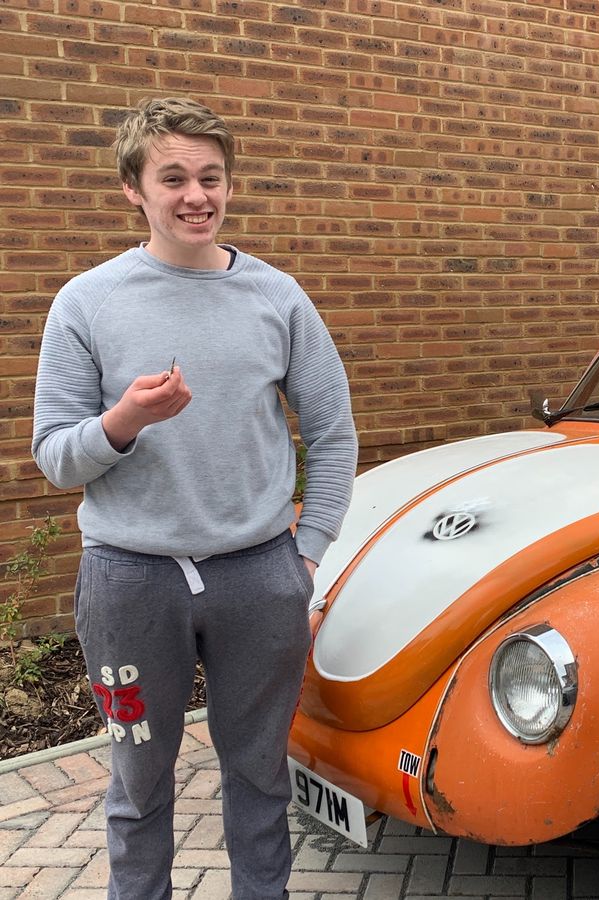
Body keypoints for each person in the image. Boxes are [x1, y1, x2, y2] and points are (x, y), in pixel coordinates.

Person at [31, 97, 358, 899]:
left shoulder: (279, 297)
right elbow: (55, 457)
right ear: (133, 190)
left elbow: (334, 434)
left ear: (229, 185)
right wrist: (124, 421)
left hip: (260, 576)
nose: (195, 195)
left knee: (259, 775)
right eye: (172, 178)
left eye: (211, 177)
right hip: (131, 581)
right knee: (139, 783)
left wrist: (305, 555)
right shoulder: (87, 301)